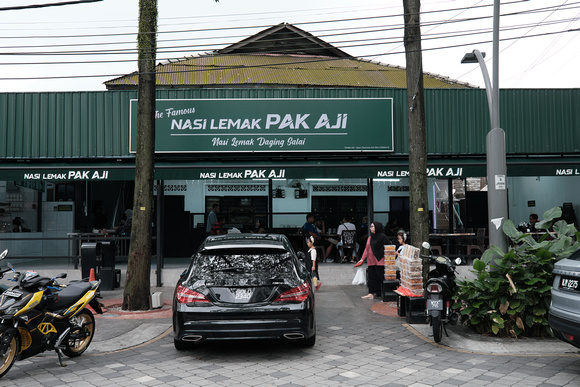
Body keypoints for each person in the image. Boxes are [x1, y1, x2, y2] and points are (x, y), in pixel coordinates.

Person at [356, 222, 391, 299]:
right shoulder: (370, 238)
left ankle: (382, 293)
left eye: (372, 226)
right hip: (371, 261)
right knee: (372, 278)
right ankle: (371, 293)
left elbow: (389, 248)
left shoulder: (383, 237)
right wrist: (362, 259)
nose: (370, 228)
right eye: (371, 226)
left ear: (377, 227)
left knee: (380, 277)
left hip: (380, 261)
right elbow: (366, 249)